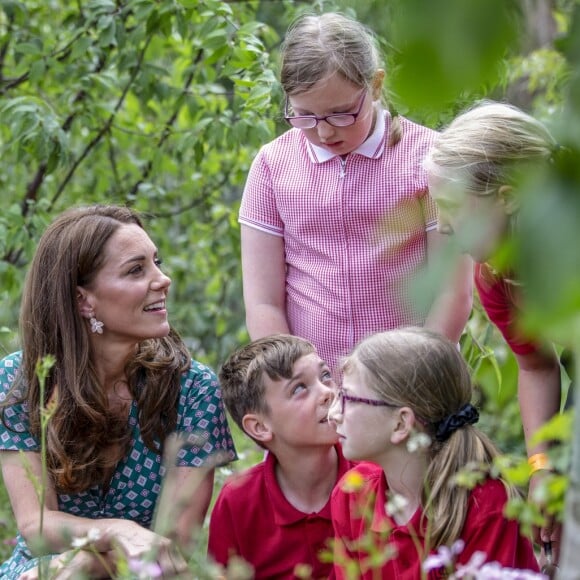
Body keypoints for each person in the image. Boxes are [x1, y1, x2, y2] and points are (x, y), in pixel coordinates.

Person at [0, 205, 237, 578]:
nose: (163, 279)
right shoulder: (22, 380)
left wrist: (88, 561)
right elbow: (36, 526)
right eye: (136, 270)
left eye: (156, 262)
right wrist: (118, 530)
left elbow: (170, 548)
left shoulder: (192, 389)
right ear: (82, 300)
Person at [239, 12, 473, 376]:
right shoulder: (272, 166)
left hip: (418, 380)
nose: (324, 133)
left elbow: (452, 294)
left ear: (376, 85)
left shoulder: (430, 161)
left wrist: (409, 383)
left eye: (342, 113)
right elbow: (264, 303)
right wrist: (300, 385)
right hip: (316, 397)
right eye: (304, 116)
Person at [423, 100, 563, 564]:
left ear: (506, 197)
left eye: (452, 208)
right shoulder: (496, 276)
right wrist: (544, 468)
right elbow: (537, 365)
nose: (443, 226)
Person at [329, 327, 539, 579]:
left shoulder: (484, 504)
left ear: (401, 423)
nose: (333, 414)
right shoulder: (351, 494)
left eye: (349, 399)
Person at [208, 334, 353, 579]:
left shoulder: (373, 476)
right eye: (299, 388)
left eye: (325, 375)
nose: (328, 392)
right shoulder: (237, 502)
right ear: (260, 427)